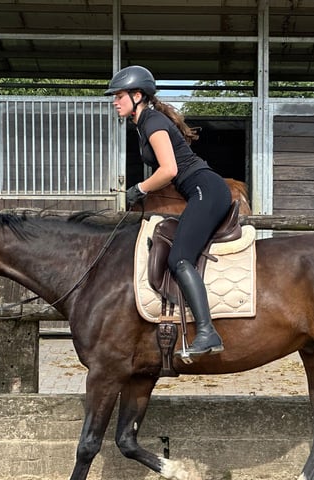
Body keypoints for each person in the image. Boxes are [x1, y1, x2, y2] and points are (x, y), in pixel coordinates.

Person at [106, 65, 230, 358]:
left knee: (180, 256)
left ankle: (207, 332)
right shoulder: (144, 122)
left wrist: (140, 189)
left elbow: (169, 170)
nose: (115, 101)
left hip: (205, 189)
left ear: (138, 95)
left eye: (119, 95)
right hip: (199, 189)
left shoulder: (152, 121)